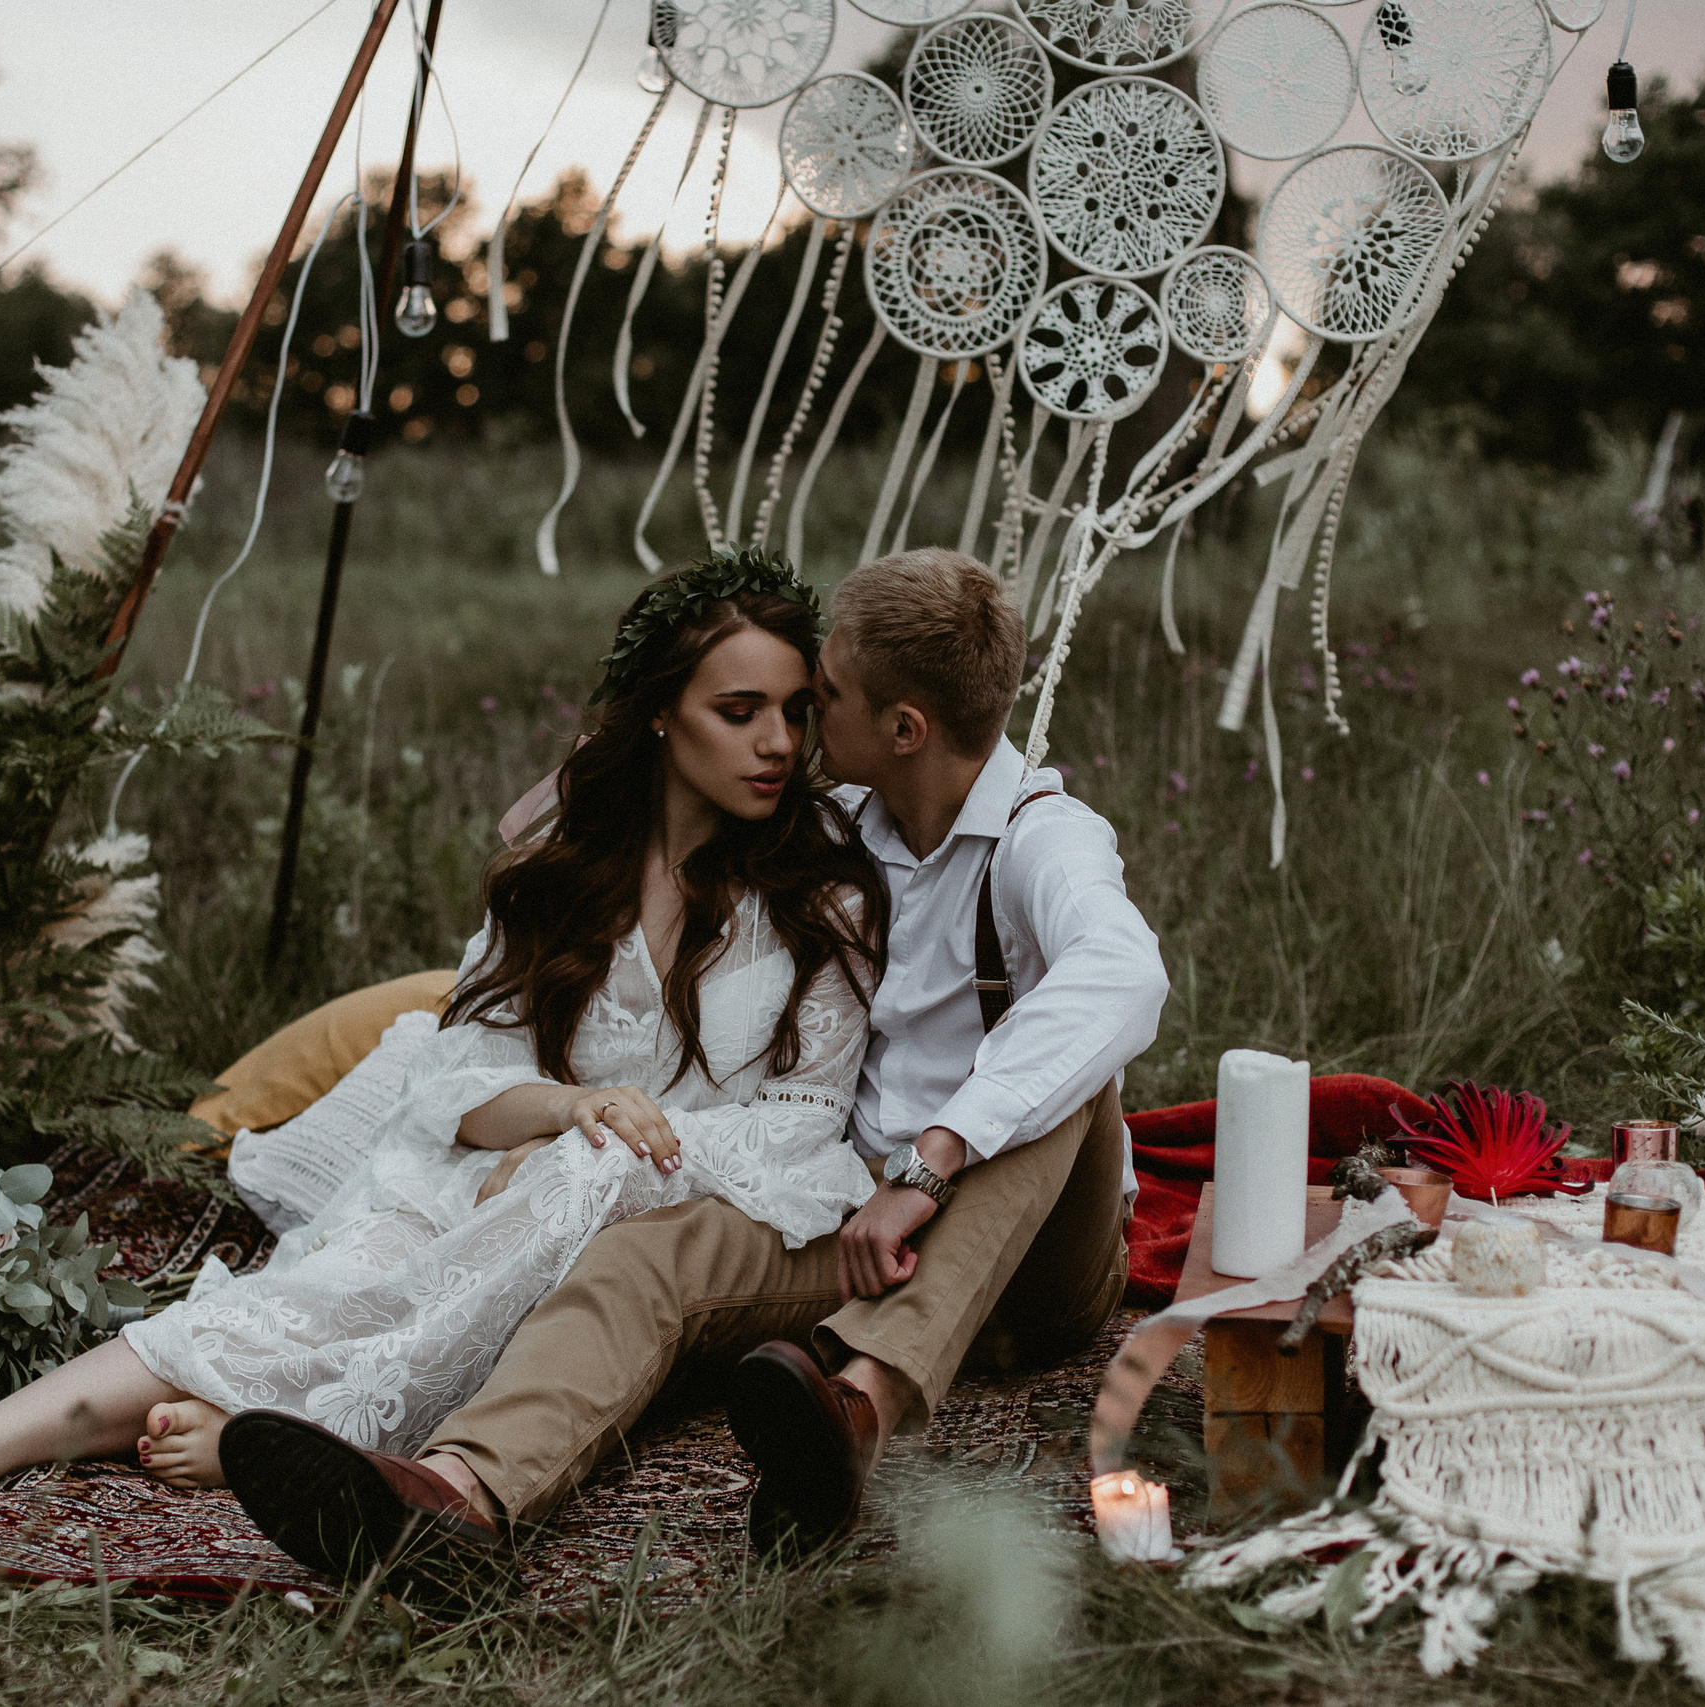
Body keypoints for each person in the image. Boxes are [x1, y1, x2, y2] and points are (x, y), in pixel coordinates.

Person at [0, 548, 888, 1548]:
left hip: (705, 1209)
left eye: (797, 713)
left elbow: (806, 1124)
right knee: (338, 1278)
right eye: (738, 712)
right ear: (660, 715)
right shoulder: (565, 873)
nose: (779, 746)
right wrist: (567, 1112)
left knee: (560, 1200)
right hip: (500, 1172)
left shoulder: (820, 892)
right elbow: (466, 1070)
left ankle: (287, 1432)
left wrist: (613, 1150)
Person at [226, 547, 1166, 1561]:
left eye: (823, 700)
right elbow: (613, 807)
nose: (798, 728)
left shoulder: (1045, 841)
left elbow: (1124, 976)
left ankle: (860, 1409)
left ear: (904, 729)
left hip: (1033, 1262)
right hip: (856, 1225)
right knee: (649, 1255)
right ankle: (459, 1497)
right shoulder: (838, 821)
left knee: (1065, 1065)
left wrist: (931, 1162)